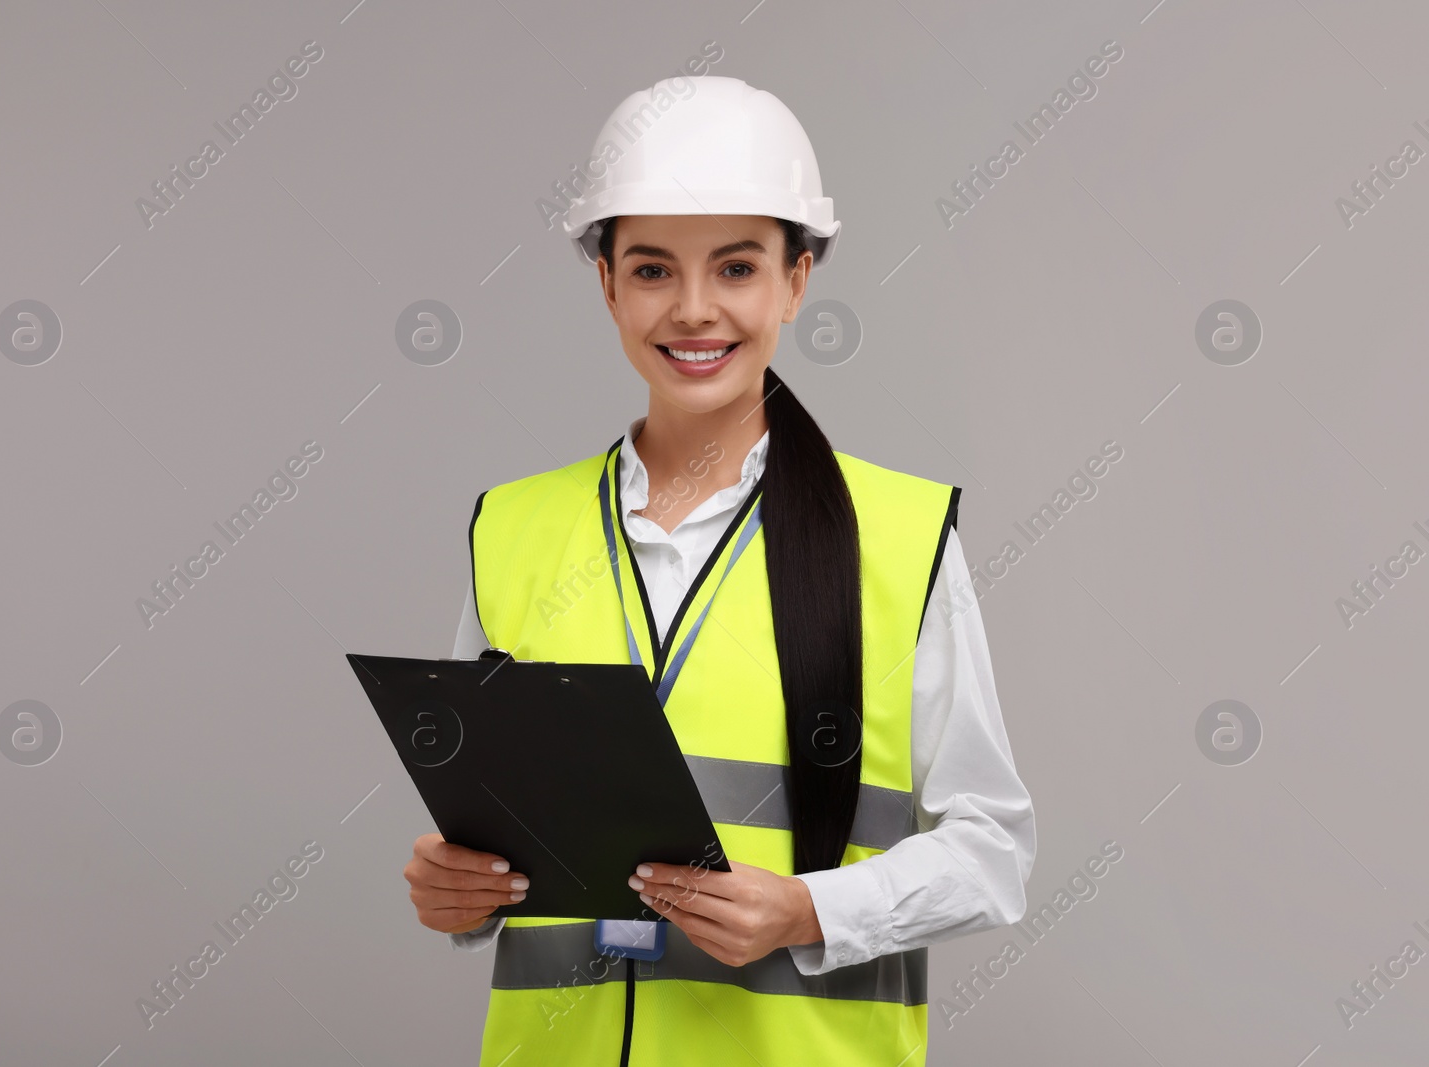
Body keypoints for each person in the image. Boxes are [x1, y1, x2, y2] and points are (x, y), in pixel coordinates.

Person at [401, 75, 1035, 1066]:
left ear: (796, 280)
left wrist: (809, 908)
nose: (693, 310)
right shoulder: (511, 529)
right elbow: (492, 839)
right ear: (606, 283)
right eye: (653, 269)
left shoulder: (899, 537)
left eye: (736, 267)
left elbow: (993, 851)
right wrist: (457, 893)